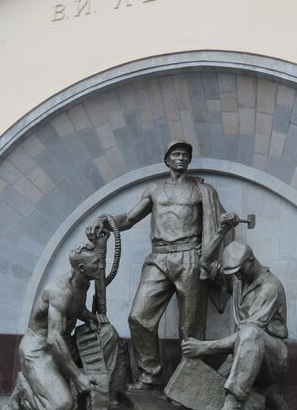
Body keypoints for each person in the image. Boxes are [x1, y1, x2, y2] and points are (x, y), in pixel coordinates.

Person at [86, 141, 238, 390]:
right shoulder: (154, 190)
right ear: (167, 160)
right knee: (138, 317)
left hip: (190, 257)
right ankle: (150, 374)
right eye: (176, 154)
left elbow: (218, 221)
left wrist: (225, 225)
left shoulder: (204, 191)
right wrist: (105, 219)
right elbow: (129, 218)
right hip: (158, 257)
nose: (181, 158)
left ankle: (190, 384)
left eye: (185, 155)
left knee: (191, 328)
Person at [182, 239, 288, 410]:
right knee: (203, 397)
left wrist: (204, 347)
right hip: (242, 352)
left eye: (240, 270)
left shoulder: (270, 287)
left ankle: (234, 409)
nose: (237, 276)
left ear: (251, 260)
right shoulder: (240, 280)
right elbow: (206, 264)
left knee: (250, 332)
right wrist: (221, 231)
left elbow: (249, 333)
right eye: (234, 273)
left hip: (273, 357)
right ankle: (269, 396)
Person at [10, 240, 114, 410]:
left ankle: (96, 397)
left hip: (63, 345)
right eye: (96, 263)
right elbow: (53, 338)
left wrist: (90, 317)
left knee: (107, 333)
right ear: (81, 268)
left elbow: (76, 308)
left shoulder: (84, 284)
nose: (101, 266)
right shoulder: (60, 290)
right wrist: (78, 376)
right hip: (39, 350)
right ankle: (25, 388)